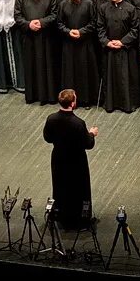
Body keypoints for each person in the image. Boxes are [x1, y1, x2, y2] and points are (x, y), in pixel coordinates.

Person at [44, 88, 99, 230]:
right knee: (79, 189)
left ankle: (62, 216)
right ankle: (80, 219)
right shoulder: (78, 123)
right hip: (77, 161)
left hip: (58, 159)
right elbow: (88, 144)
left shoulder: (51, 119)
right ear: (73, 103)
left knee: (60, 186)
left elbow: (48, 138)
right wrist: (92, 134)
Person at [13, 0, 59, 104]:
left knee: (47, 67)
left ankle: (48, 96)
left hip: (46, 37)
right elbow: (17, 15)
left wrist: (41, 22)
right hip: (29, 37)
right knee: (31, 66)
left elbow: (54, 14)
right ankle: (32, 96)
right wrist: (29, 24)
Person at [97, 0, 140, 113]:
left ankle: (128, 104)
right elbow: (100, 27)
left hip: (126, 49)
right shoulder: (103, 8)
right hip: (110, 49)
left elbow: (135, 29)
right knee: (110, 77)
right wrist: (107, 42)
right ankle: (111, 104)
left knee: (126, 77)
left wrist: (122, 42)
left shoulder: (130, 8)